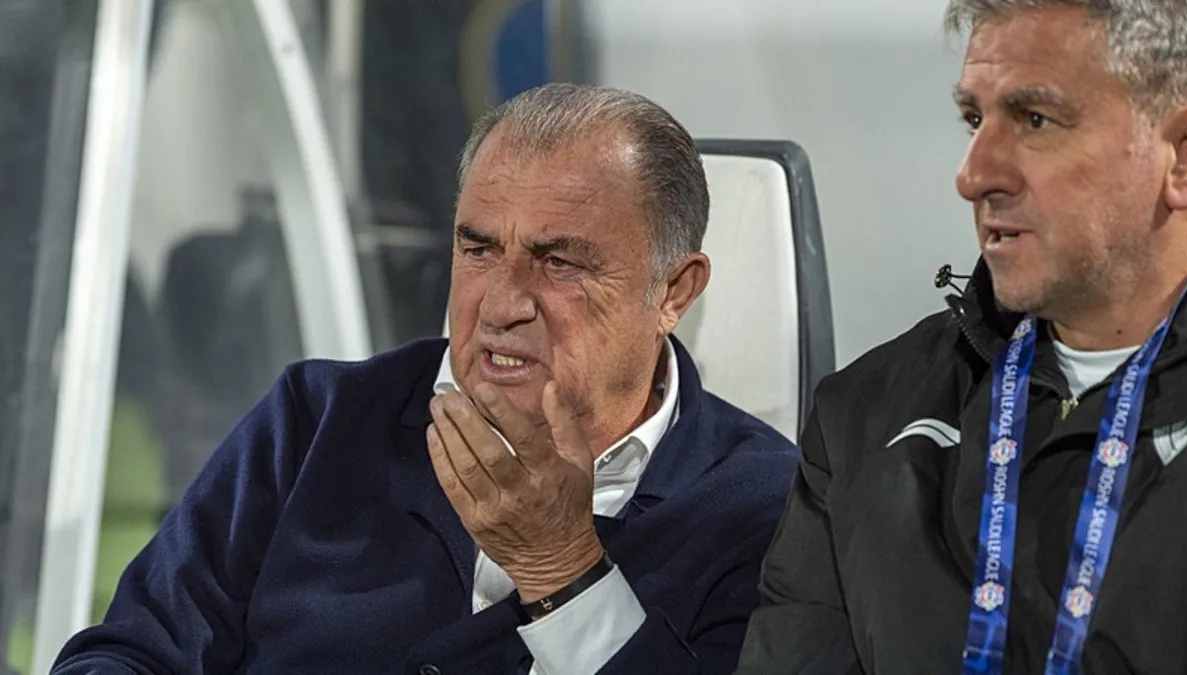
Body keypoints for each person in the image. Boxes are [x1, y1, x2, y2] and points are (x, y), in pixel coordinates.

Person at [51, 83, 799, 675]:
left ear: (674, 291)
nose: (501, 305)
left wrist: (562, 569)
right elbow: (131, 651)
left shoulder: (768, 508)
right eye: (478, 250)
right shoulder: (315, 421)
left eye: (559, 262)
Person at [736, 1, 1187, 673]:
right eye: (975, 119)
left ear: (1184, 157)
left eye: (1035, 120)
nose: (974, 175)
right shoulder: (863, 415)